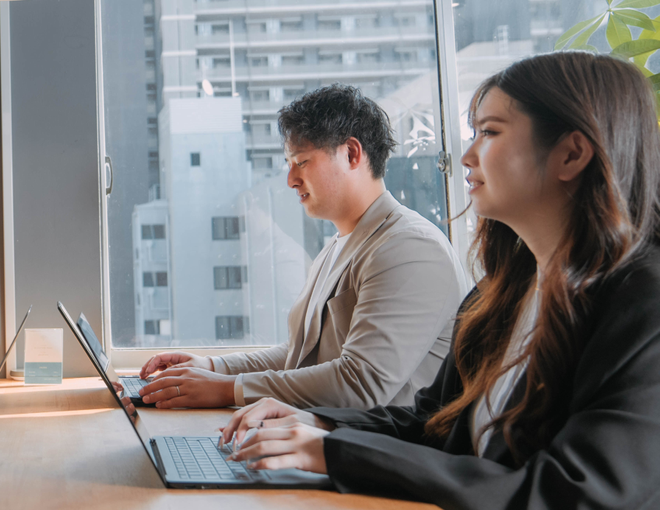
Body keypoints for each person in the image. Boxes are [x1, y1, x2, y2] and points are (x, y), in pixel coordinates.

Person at [217, 51, 660, 509]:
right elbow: (433, 421)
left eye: (489, 132)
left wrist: (337, 452)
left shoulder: (644, 304)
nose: (467, 155)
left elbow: (570, 494)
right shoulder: (502, 290)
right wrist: (318, 425)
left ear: (571, 153)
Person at [136, 84, 467, 410]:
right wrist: (213, 369)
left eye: (302, 161)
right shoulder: (338, 246)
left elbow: (361, 383)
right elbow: (300, 355)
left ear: (352, 154)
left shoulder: (410, 248)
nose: (291, 179)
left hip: (383, 454)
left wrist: (227, 390)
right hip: (326, 440)